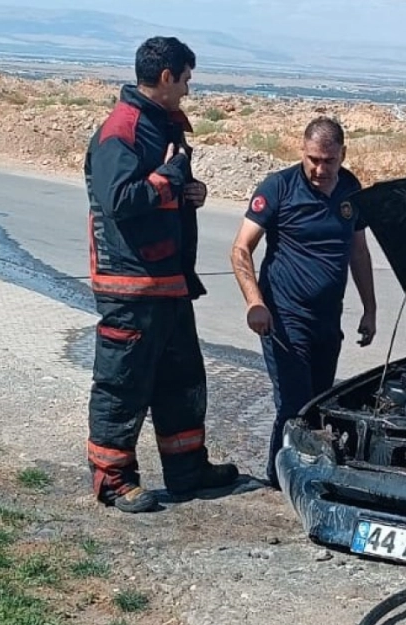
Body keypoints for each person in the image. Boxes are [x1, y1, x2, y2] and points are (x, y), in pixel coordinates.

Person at [83, 35, 238, 513]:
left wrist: (189, 190)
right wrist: (169, 178)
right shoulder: (122, 129)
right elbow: (121, 202)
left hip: (169, 283)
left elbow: (163, 191)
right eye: (187, 79)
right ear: (167, 76)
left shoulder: (159, 124)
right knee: (123, 384)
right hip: (130, 287)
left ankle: (188, 471)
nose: (189, 90)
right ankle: (112, 480)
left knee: (182, 381)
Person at [230, 116, 377, 489]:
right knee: (294, 406)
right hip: (283, 318)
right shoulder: (279, 188)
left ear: (343, 154)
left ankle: (303, 474)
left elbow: (358, 251)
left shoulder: (350, 188)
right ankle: (279, 481)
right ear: (302, 151)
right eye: (312, 158)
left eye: (328, 160)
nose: (319, 168)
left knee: (319, 404)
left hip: (327, 321)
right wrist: (254, 303)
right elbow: (241, 249)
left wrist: (370, 309)